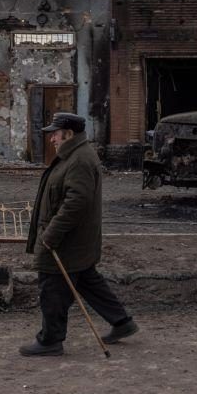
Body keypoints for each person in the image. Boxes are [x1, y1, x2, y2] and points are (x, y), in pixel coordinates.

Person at [20, 112, 139, 356]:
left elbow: (77, 203)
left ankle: (50, 340)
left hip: (67, 241)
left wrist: (51, 233)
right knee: (87, 279)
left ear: (69, 134)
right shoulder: (74, 155)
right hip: (77, 242)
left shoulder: (79, 160)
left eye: (55, 133)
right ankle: (122, 322)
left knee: (52, 287)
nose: (52, 138)